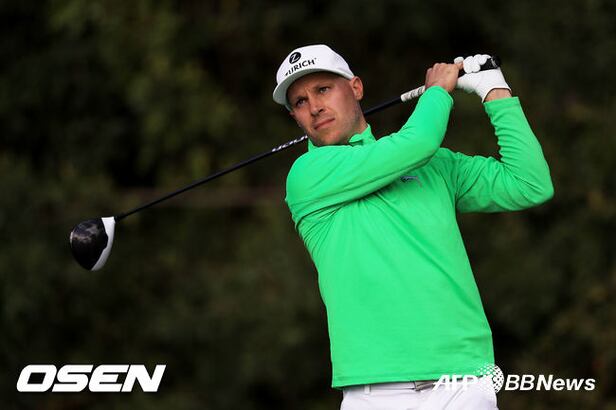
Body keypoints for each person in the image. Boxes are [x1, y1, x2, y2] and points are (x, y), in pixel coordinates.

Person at [272, 44, 553, 409]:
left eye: (323, 89)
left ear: (355, 88)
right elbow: (418, 141)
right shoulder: (307, 176)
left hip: (462, 382)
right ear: (295, 116)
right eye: (300, 102)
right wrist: (437, 91)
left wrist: (495, 90)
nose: (314, 107)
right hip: (373, 392)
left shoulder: (435, 165)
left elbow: (530, 184)